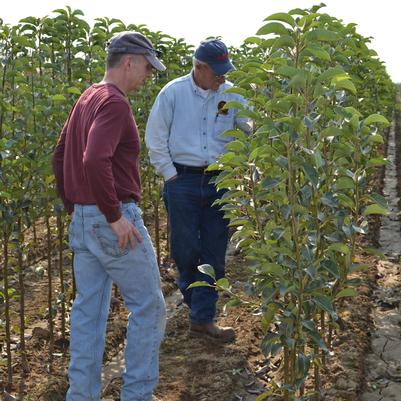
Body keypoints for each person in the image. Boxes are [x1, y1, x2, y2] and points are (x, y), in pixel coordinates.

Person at [52, 31, 166, 401]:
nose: (149, 75)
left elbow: (60, 155)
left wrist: (77, 209)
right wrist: (114, 216)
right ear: (129, 60)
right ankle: (137, 395)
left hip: (85, 222)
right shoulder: (114, 103)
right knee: (149, 307)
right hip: (111, 218)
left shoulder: (88, 97)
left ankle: (80, 395)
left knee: (89, 311)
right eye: (147, 67)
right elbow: (93, 158)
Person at [145, 39, 252, 343]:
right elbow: (155, 137)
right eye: (216, 72)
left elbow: (249, 129)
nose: (221, 78)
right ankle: (197, 308)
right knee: (185, 250)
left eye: (224, 72)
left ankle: (203, 318)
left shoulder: (231, 93)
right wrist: (170, 175)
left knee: (215, 251)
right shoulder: (173, 93)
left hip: (220, 181)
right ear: (198, 67)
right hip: (183, 181)